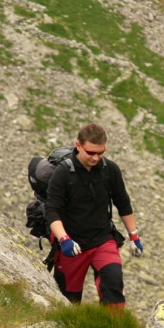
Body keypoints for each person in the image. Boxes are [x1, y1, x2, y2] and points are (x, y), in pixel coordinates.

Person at [45, 123, 143, 308]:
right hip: (72, 245)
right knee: (68, 300)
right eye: (90, 152)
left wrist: (134, 235)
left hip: (103, 241)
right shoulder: (63, 172)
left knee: (113, 283)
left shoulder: (110, 170)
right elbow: (52, 210)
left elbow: (123, 203)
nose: (96, 158)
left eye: (101, 153)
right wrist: (64, 239)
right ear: (78, 145)